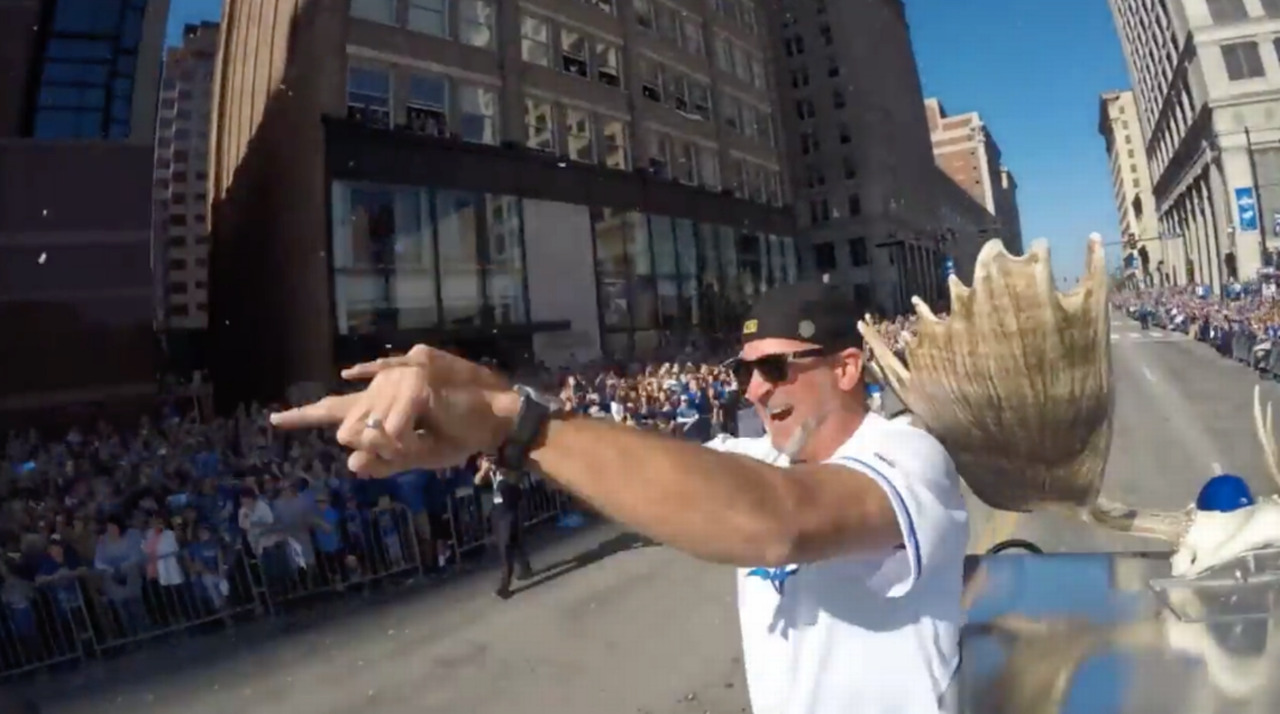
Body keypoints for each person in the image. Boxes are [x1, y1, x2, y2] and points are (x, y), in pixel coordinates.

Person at [270, 282, 968, 714]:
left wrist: (517, 421)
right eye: (743, 371)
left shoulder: (908, 455)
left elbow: (777, 520)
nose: (753, 390)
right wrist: (486, 429)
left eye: (775, 369)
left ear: (848, 368)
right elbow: (641, 464)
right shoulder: (754, 458)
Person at [474, 455, 533, 598]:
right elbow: (477, 482)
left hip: (511, 511)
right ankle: (525, 567)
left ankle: (504, 586)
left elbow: (514, 477)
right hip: (498, 513)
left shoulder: (507, 470)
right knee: (515, 542)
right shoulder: (491, 475)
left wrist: (499, 468)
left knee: (506, 547)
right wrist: (484, 471)